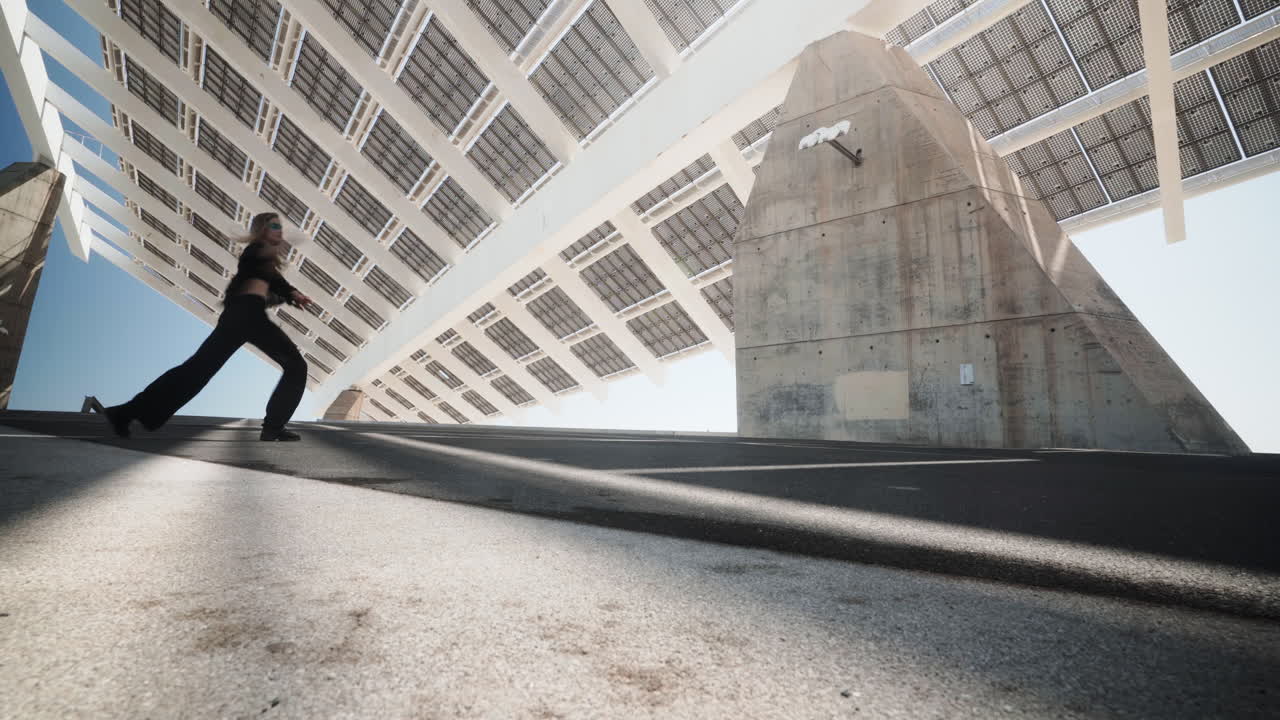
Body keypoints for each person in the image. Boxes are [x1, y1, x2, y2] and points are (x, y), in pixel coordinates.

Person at [103, 212, 314, 441]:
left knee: (197, 370)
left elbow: (272, 278)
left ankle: (125, 413)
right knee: (296, 366)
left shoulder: (263, 256)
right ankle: (273, 427)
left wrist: (292, 294)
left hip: (239, 315)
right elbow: (267, 271)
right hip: (248, 314)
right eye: (274, 225)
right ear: (262, 229)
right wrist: (288, 286)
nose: (279, 230)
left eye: (279, 226)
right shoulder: (256, 250)